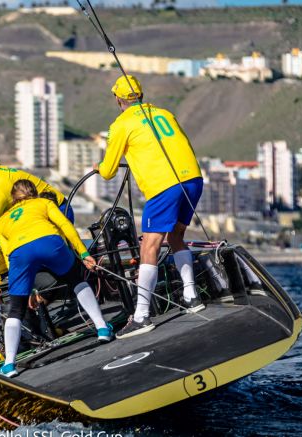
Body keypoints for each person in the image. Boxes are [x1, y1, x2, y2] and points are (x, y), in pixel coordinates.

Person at [94, 74, 205, 339]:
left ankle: (142, 315)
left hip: (164, 185)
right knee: (176, 236)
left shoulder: (121, 124)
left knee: (149, 246)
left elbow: (108, 171)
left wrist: (98, 168)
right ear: (141, 95)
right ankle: (192, 296)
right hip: (192, 178)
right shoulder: (165, 113)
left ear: (118, 99)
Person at [0, 180, 113, 378]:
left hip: (20, 253)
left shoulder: (4, 219)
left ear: (13, 198)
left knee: (16, 308)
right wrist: (84, 253)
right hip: (49, 242)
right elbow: (65, 225)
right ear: (34, 193)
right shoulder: (44, 203)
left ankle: (9, 364)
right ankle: (102, 328)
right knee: (76, 280)